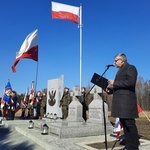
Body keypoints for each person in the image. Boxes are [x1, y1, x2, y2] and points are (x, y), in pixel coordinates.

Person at [106, 53, 139, 150]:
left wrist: (114, 83)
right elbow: (120, 87)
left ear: (122, 60)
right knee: (124, 124)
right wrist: (110, 90)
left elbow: (131, 82)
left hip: (127, 102)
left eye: (116, 60)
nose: (114, 63)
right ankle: (128, 146)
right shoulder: (120, 71)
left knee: (129, 124)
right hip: (120, 102)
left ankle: (133, 147)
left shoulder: (131, 68)